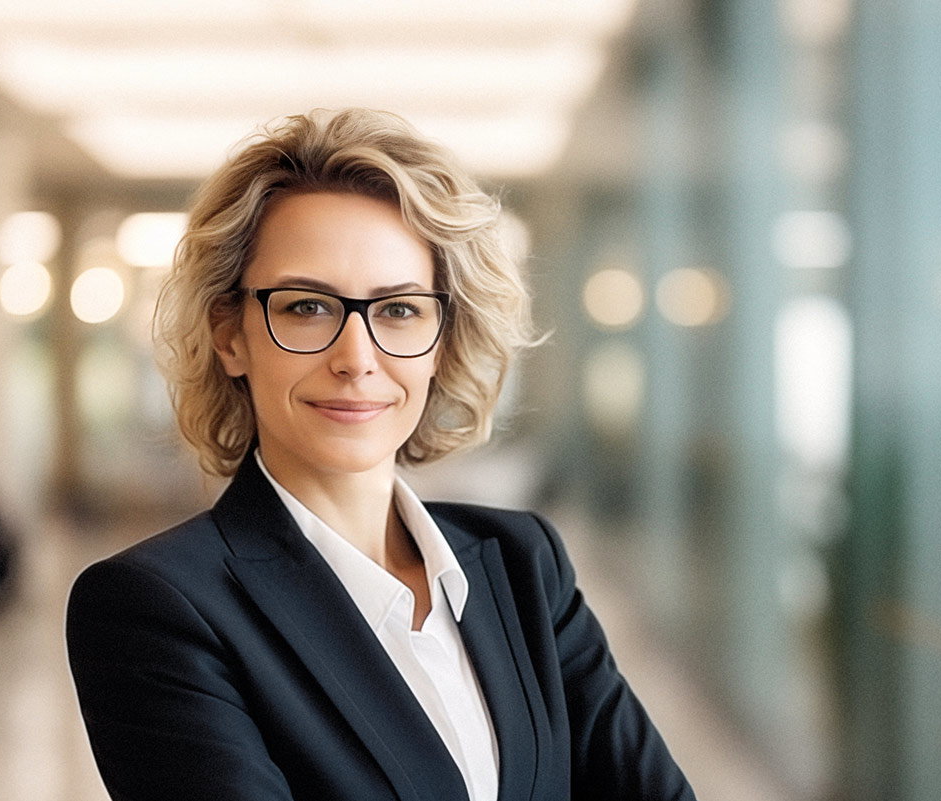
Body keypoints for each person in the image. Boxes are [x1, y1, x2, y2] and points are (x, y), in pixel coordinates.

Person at [66, 108, 695, 801]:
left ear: (442, 339)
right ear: (230, 335)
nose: (356, 359)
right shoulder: (157, 606)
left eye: (398, 310)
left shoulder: (522, 564)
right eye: (306, 307)